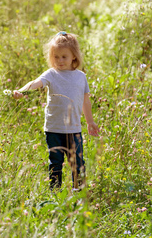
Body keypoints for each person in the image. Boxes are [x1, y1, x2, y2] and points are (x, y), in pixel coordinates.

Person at [13, 31, 99, 190]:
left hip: (73, 129)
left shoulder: (81, 77)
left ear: (74, 56)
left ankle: (79, 194)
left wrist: (90, 121)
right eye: (56, 57)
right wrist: (22, 91)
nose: (59, 61)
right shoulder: (51, 74)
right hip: (54, 128)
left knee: (78, 163)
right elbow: (35, 83)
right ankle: (55, 194)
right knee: (56, 162)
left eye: (64, 57)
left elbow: (86, 101)